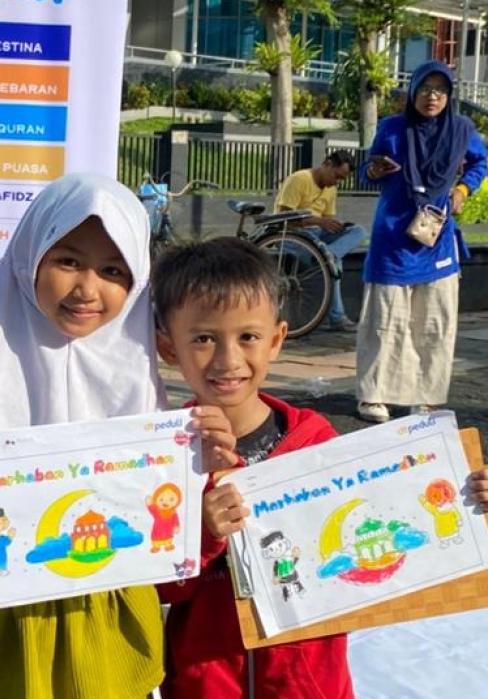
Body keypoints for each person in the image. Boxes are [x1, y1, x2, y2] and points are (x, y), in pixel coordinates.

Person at [0, 173, 238, 699]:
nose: (86, 288)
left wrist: (203, 467)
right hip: (11, 639)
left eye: (112, 270)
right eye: (68, 261)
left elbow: (165, 523)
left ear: (138, 280)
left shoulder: (140, 387)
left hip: (111, 637)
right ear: (29, 258)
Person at [151, 237, 352, 699]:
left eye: (248, 337)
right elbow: (159, 590)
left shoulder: (316, 442)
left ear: (276, 340)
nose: (228, 360)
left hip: (312, 685)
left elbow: (372, 534)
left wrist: (467, 501)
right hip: (204, 685)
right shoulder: (164, 459)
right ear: (168, 347)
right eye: (203, 339)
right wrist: (203, 532)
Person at [356, 60, 487, 423]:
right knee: (384, 320)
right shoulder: (392, 128)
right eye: (426, 89)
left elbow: (480, 163)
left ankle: (425, 398)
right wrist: (373, 169)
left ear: (449, 95)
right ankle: (373, 395)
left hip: (437, 238)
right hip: (393, 237)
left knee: (434, 322)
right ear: (413, 91)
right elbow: (366, 172)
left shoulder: (461, 129)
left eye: (441, 90)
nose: (433, 97)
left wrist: (462, 190)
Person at [274, 150, 366, 331]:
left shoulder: (331, 189)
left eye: (342, 180)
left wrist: (336, 226)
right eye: (337, 176)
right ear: (327, 164)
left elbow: (327, 219)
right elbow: (283, 217)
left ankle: (328, 255)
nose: (337, 182)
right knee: (334, 263)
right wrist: (317, 221)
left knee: (359, 231)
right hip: (293, 234)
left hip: (319, 235)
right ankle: (337, 318)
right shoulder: (299, 179)